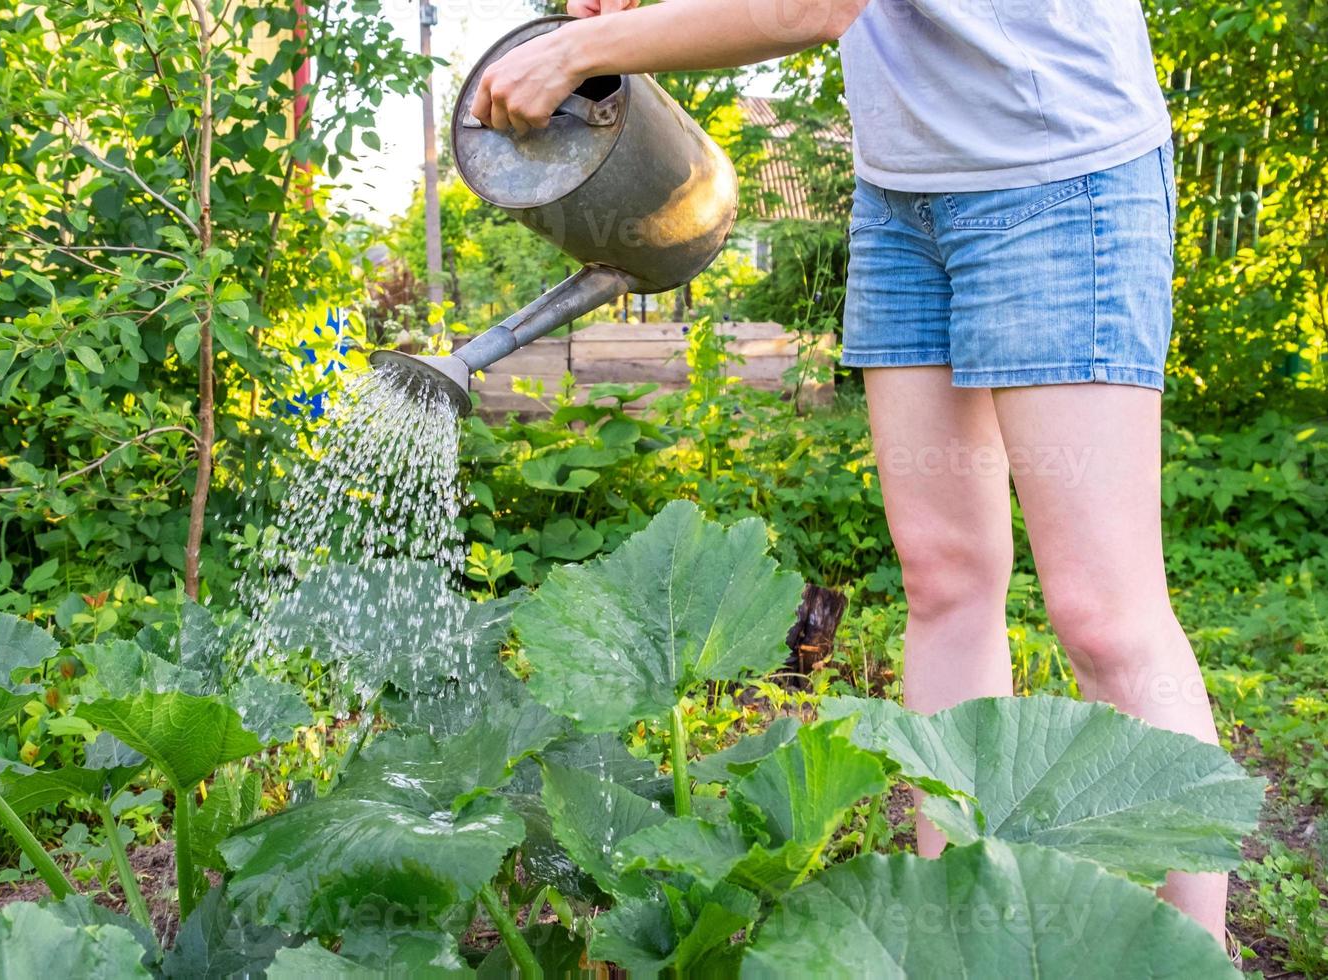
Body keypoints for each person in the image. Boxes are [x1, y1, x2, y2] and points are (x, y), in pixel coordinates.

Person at [470, 0, 1227, 945]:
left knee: (1106, 620)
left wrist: (580, 49)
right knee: (944, 578)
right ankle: (953, 940)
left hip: (1062, 174)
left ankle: (1195, 959)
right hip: (903, 193)